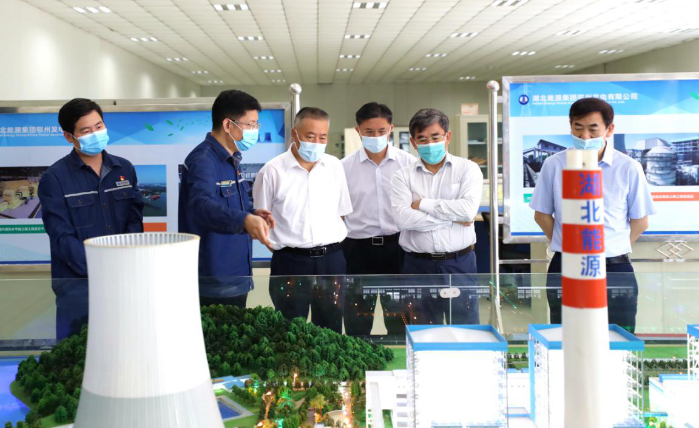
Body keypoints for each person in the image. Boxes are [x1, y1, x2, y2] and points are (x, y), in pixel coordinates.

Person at [530, 97, 656, 333]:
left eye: (593, 129)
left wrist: (612, 248)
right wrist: (567, 244)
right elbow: (542, 215)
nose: (585, 136)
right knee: (566, 334)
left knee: (618, 335)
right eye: (578, 128)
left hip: (614, 267)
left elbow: (640, 221)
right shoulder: (554, 164)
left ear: (609, 129)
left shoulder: (628, 167)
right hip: (566, 264)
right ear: (570, 127)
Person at [39, 98, 143, 337]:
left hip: (123, 281)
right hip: (78, 289)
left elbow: (134, 220)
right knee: (77, 352)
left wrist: (123, 263)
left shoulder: (124, 169)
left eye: (99, 126)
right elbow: (61, 237)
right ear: (69, 137)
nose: (95, 134)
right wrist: (101, 268)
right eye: (86, 131)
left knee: (123, 345)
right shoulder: (54, 178)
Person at [253, 107, 352, 332]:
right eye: (310, 136)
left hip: (332, 261)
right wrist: (288, 249)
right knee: (290, 328)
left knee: (331, 328)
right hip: (291, 261)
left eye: (322, 137)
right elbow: (262, 221)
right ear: (294, 134)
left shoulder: (334, 166)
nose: (316, 142)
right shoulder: (272, 171)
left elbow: (342, 213)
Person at [179, 89, 275, 308]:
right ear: (227, 125)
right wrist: (244, 220)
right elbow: (201, 206)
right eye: (250, 125)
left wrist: (252, 214)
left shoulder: (232, 158)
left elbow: (228, 205)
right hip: (215, 280)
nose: (255, 131)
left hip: (237, 273)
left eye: (256, 125)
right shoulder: (203, 160)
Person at [391, 108, 483, 325]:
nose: (429, 144)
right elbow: (402, 219)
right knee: (420, 330)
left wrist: (423, 204)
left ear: (447, 137)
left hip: (459, 264)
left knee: (465, 330)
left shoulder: (467, 169)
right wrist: (452, 218)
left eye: (435, 137)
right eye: (422, 139)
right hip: (418, 266)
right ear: (413, 143)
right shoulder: (402, 176)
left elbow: (467, 211)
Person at [341, 102, 415, 336]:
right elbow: (338, 212)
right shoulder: (344, 168)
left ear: (391, 129)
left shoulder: (408, 164)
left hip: (398, 247)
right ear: (358, 131)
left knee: (400, 317)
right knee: (357, 317)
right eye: (369, 132)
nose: (376, 137)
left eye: (381, 131)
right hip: (357, 250)